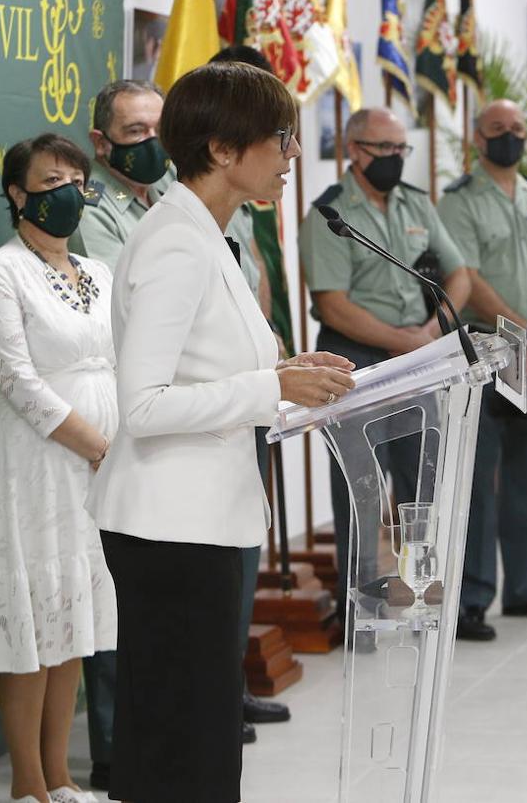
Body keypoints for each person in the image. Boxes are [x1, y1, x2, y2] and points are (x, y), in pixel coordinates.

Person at [85, 62, 355, 802]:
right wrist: (272, 385)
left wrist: (292, 375)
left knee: (186, 733)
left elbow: (216, 368)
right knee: (184, 740)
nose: (293, 154)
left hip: (199, 522)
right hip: (170, 527)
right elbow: (143, 405)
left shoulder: (208, 235)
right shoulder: (177, 242)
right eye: (281, 137)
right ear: (223, 150)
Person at [0, 133, 116, 803]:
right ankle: (28, 785)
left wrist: (117, 446)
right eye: (51, 181)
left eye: (78, 181)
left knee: (70, 614)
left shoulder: (99, 272)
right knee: (29, 615)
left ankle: (61, 776)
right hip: (32, 465)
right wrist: (95, 445)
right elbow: (17, 381)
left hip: (97, 470)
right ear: (17, 194)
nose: (68, 194)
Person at [299, 107, 470, 611]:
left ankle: (422, 591)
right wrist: (405, 342)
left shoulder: (416, 204)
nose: (396, 159)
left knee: (423, 481)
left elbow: (459, 274)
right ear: (354, 150)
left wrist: (429, 330)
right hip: (357, 362)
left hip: (417, 358)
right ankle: (361, 603)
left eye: (401, 149)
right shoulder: (329, 214)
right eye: (385, 149)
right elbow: (333, 303)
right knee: (362, 489)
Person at [439, 99, 527, 642]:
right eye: (498, 129)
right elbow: (468, 280)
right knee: (479, 478)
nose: (510, 137)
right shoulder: (459, 203)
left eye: (517, 129)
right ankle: (474, 596)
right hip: (485, 348)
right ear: (478, 139)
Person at [208, 43, 293, 735]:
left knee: (244, 554)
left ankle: (228, 683)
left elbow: (254, 296)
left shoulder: (246, 212)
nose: (289, 150)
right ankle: (210, 694)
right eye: (277, 135)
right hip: (213, 412)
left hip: (253, 397)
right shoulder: (189, 222)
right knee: (216, 565)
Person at [70, 80, 174, 272]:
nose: (153, 141)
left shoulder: (170, 178)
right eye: (136, 131)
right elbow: (120, 296)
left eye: (160, 130)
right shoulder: (88, 210)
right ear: (100, 142)